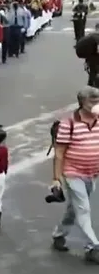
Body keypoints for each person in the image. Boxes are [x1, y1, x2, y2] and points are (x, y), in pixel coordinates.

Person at [51, 86, 99, 263]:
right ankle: (93, 247)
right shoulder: (68, 123)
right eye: (92, 101)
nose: (96, 104)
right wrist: (56, 179)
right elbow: (59, 153)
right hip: (73, 173)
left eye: (98, 100)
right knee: (83, 209)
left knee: (74, 208)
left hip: (92, 173)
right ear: (82, 103)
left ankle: (59, 235)